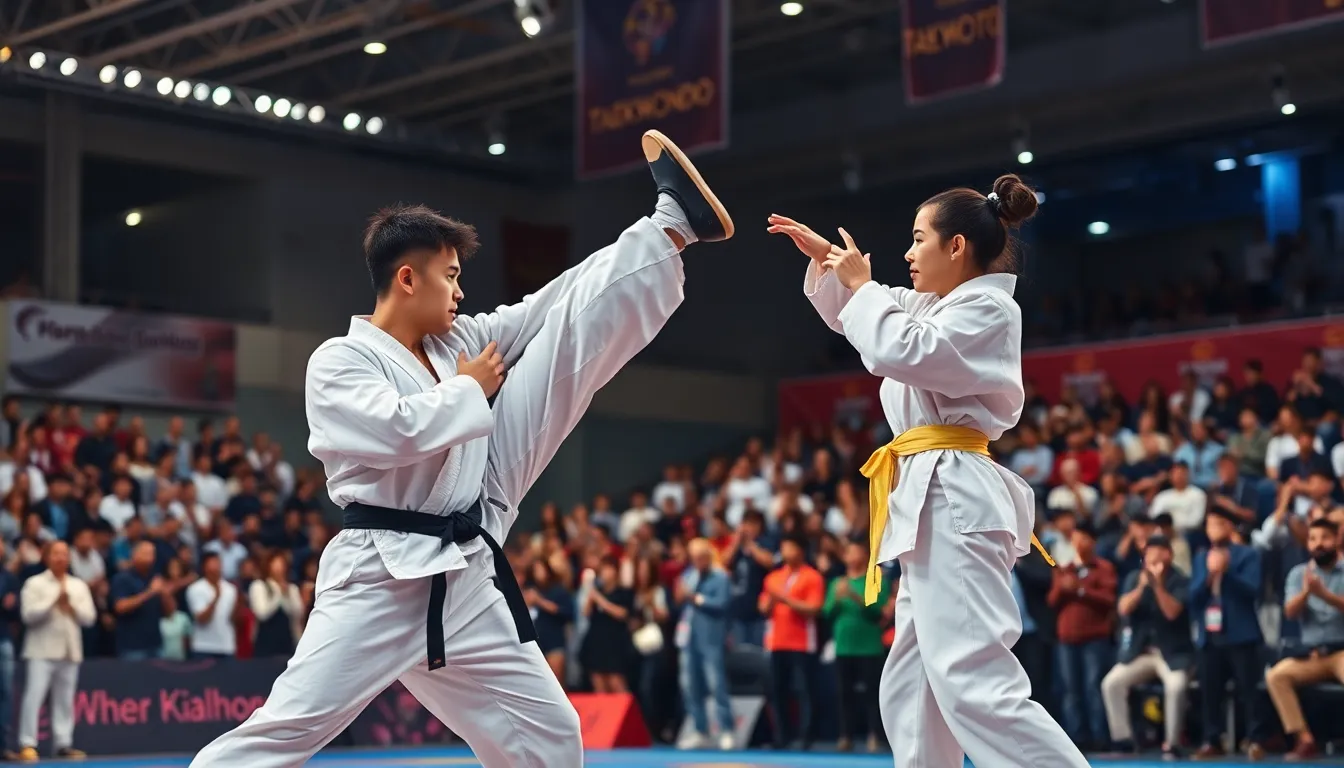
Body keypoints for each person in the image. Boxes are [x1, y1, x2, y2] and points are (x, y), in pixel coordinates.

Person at [189, 129, 733, 768]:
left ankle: (670, 225)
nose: (460, 291)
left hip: (467, 553)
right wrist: (470, 388)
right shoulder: (339, 361)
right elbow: (398, 433)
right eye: (450, 276)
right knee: (286, 730)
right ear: (407, 278)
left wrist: (654, 237)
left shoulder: (458, 342)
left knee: (551, 735)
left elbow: (549, 306)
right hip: (382, 576)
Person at [769, 174, 1087, 767]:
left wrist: (861, 285)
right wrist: (833, 263)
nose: (909, 253)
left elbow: (899, 347)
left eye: (919, 239)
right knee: (913, 686)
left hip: (953, 491)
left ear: (956, 246)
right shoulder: (942, 305)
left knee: (973, 681)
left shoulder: (989, 308)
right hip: (930, 493)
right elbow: (870, 312)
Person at [1100, 535, 1193, 758]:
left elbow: (1172, 613)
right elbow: (1123, 608)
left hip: (1172, 654)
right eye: (1150, 552)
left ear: (1169, 555)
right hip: (1140, 653)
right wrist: (1142, 587)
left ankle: (1172, 743)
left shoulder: (1180, 580)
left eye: (1159, 551)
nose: (1153, 556)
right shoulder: (1135, 578)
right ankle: (1123, 740)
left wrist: (1158, 586)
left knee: (1176, 686)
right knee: (1111, 683)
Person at [1189, 506, 1266, 759]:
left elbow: (1253, 590)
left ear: (1230, 526)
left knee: (1249, 690)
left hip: (1241, 633)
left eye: (1220, 523)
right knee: (1210, 691)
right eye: (1210, 524)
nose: (1215, 529)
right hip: (1210, 635)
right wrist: (1210, 574)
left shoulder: (1247, 554)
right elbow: (1193, 598)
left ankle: (1255, 739)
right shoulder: (1201, 557)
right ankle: (1212, 739)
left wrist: (1227, 571)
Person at [1264, 518, 1344, 760]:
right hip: (1312, 654)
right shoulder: (1299, 574)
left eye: (1325, 538)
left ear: (1337, 540)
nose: (1318, 544)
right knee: (1276, 676)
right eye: (1313, 539)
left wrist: (1325, 595)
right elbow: (1290, 612)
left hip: (1341, 653)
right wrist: (1307, 592)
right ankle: (1304, 739)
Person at [18, 541, 95, 761]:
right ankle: (28, 743)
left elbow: (89, 618)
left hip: (70, 650)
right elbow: (28, 615)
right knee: (34, 697)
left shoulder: (78, 585)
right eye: (56, 554)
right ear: (47, 557)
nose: (61, 558)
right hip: (41, 651)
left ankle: (63, 743)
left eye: (64, 554)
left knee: (65, 700)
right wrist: (53, 600)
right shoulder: (35, 583)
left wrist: (71, 606)